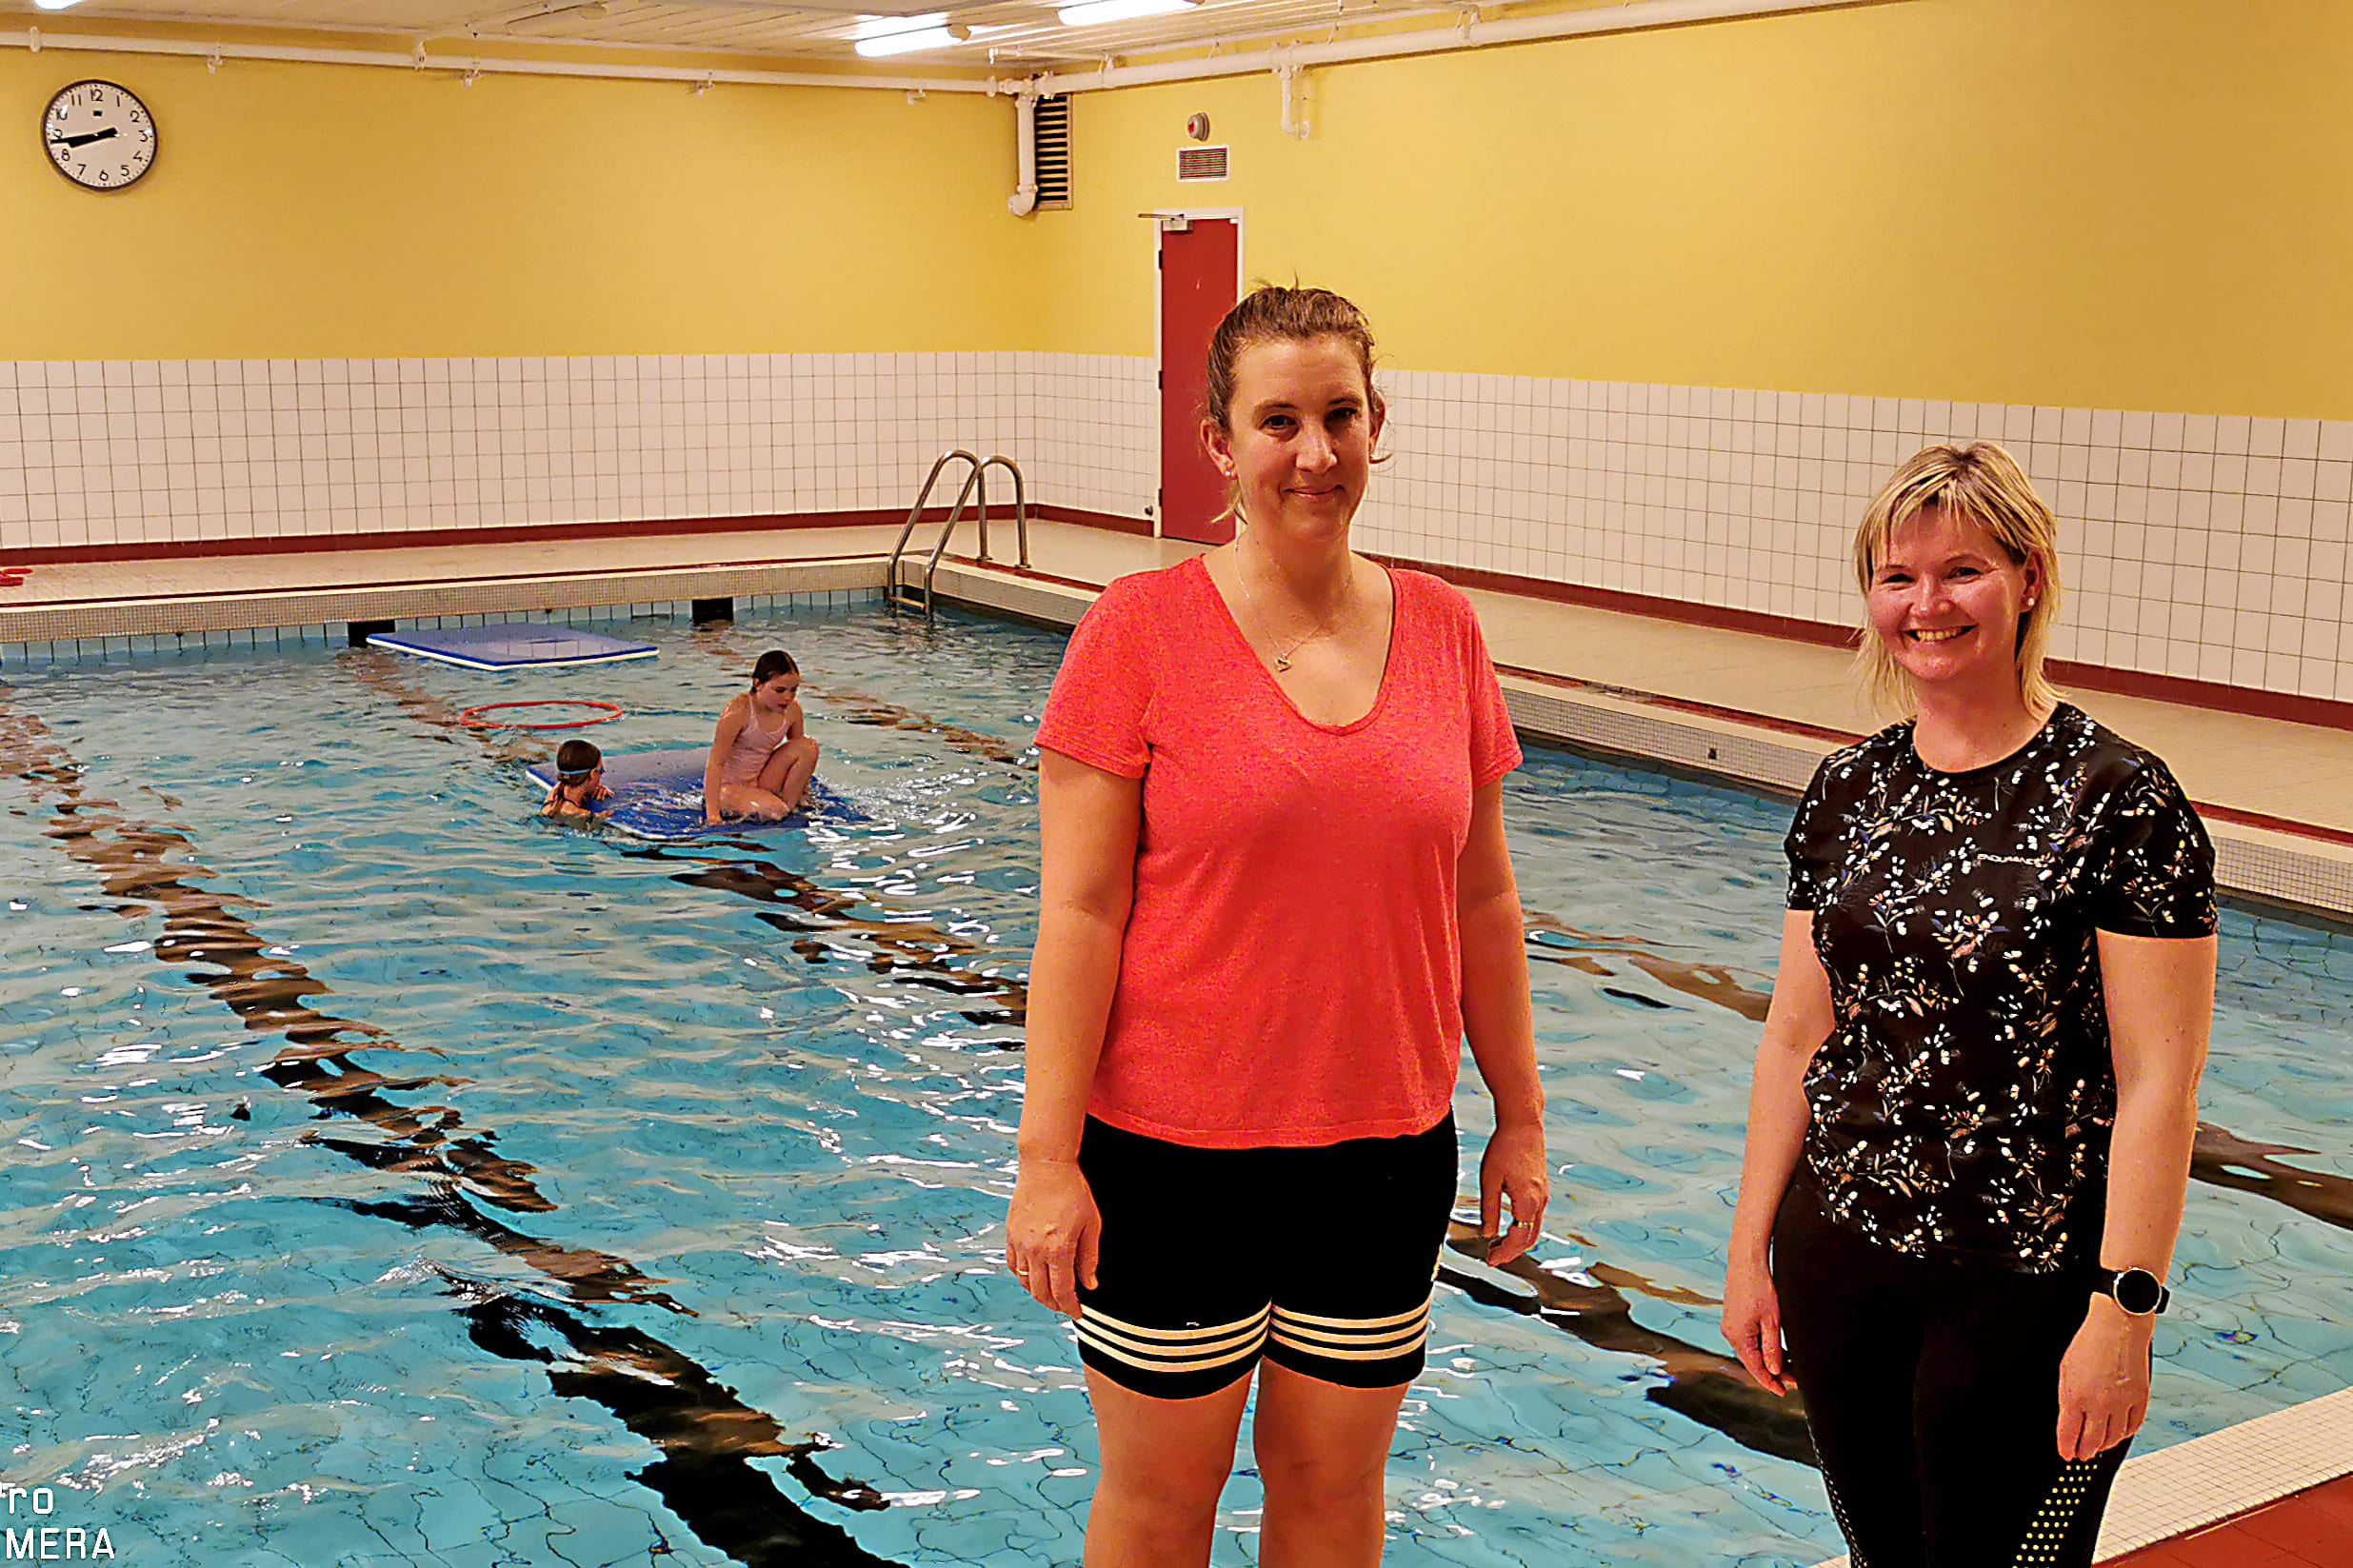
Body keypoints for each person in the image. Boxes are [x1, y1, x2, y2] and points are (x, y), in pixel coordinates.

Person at [1007, 285, 1549, 1568]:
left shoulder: (1444, 627)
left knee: (1331, 1492)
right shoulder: (1135, 631)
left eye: (1338, 415)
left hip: (1382, 1153)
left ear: (1375, 426)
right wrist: (1044, 1158)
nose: (1313, 451)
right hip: (1169, 1158)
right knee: (1159, 1506)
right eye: (1277, 421)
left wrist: (1518, 1113)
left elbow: (1482, 895)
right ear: (1219, 442)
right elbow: (1078, 911)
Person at [1721, 442, 2218, 1568]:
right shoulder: (1847, 788)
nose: (1926, 605)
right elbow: (1796, 1035)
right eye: (1896, 577)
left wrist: (2123, 1308)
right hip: (1840, 1256)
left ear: (2026, 579)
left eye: (1961, 572)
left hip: (2026, 1284)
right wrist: (1748, 1251)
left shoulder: (2120, 800)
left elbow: (2158, 1081)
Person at [704, 649, 819, 824]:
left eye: (793, 690)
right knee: (774, 810)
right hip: (729, 788)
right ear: (758, 684)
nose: (788, 697)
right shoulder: (738, 712)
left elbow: (799, 757)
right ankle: (779, 808)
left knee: (808, 747)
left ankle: (789, 807)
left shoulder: (793, 710)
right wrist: (713, 815)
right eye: (779, 690)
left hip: (761, 779)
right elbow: (715, 764)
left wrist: (804, 792)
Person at [540, 739, 611, 821]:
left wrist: (594, 788)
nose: (602, 774)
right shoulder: (582, 816)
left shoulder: (554, 795)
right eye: (601, 771)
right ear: (592, 774)